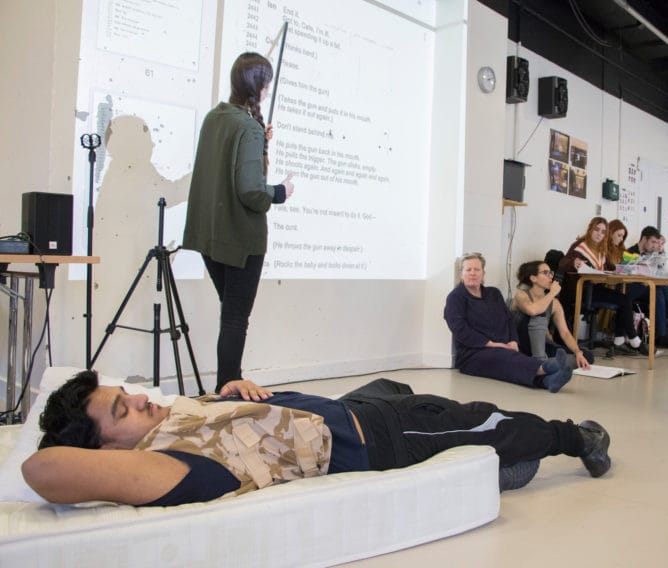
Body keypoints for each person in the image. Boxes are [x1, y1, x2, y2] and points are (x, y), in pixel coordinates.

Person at [22, 371, 612, 505]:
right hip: (380, 438)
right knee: (488, 418)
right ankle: (574, 438)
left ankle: (501, 464)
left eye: (129, 392)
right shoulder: (162, 466)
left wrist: (230, 394)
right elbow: (42, 470)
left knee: (396, 383)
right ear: (105, 449)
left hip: (352, 407)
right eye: (124, 410)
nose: (143, 400)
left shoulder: (172, 418)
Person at [182, 52, 295, 392]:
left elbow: (229, 163)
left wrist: (260, 141)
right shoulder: (248, 127)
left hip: (209, 238)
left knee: (230, 316)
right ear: (259, 86)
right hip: (239, 240)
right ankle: (228, 390)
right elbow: (251, 191)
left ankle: (228, 386)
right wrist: (280, 191)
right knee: (234, 319)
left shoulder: (216, 118)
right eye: (268, 83)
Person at [443, 253, 573, 393]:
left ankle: (548, 381)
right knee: (505, 358)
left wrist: (513, 341)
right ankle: (549, 366)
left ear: (483, 273)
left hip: (504, 347)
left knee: (510, 360)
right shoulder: (455, 298)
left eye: (477, 269)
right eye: (468, 270)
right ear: (461, 274)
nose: (473, 273)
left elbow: (509, 320)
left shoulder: (494, 293)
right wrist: (492, 344)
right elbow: (460, 330)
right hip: (473, 354)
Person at [558, 217, 648, 356]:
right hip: (577, 291)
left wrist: (627, 267)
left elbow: (607, 267)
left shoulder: (601, 249)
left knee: (625, 299)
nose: (599, 234)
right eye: (596, 230)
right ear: (590, 230)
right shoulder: (580, 245)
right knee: (624, 300)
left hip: (593, 289)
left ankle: (625, 340)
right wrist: (573, 262)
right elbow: (563, 263)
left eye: (603, 232)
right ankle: (634, 340)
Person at [510, 260, 592, 370]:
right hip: (520, 343)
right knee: (537, 318)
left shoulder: (554, 303)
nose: (550, 277)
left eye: (551, 273)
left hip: (542, 345)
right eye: (545, 273)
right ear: (533, 278)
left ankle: (546, 365)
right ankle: (544, 364)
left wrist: (578, 352)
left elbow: (565, 333)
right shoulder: (521, 295)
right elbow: (533, 310)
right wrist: (552, 293)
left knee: (587, 356)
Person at [626, 226, 668, 348]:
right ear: (643, 239)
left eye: (657, 243)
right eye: (653, 242)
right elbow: (627, 273)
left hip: (648, 287)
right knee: (658, 288)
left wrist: (660, 255)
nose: (654, 246)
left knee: (658, 290)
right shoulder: (630, 252)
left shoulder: (652, 254)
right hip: (633, 287)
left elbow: (658, 272)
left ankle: (662, 333)